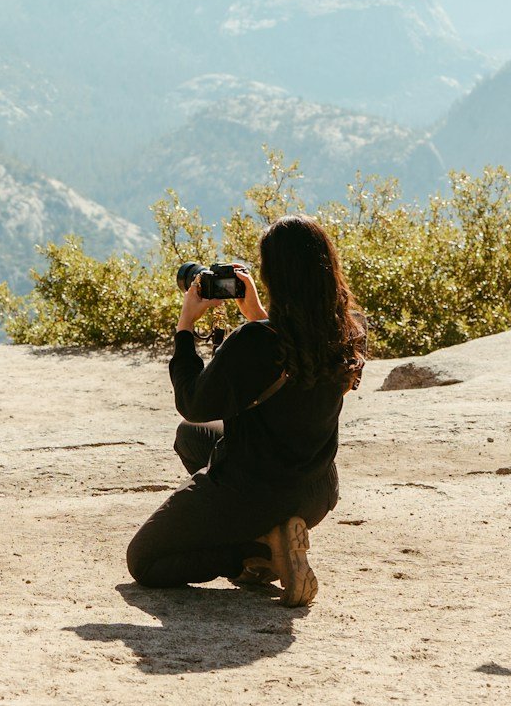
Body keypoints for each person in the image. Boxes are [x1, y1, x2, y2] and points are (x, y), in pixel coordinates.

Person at [126, 215, 366, 607]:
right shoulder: (350, 329)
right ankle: (275, 532)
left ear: (274, 275)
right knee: (191, 435)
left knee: (146, 560)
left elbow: (193, 402)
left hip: (252, 487)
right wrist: (255, 312)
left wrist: (186, 326)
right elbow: (296, 361)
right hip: (316, 490)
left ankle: (259, 547)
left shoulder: (256, 341)